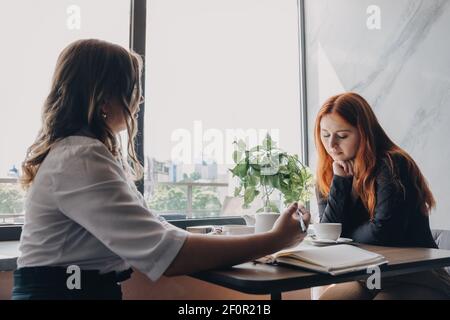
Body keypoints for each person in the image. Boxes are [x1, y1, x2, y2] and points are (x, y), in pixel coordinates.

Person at [12, 39, 309, 300]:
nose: (139, 99)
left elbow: (155, 231)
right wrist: (276, 239)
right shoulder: (82, 158)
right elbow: (167, 254)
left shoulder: (83, 153)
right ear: (104, 99)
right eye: (133, 88)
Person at [309, 92, 450, 299]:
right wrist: (340, 182)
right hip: (370, 277)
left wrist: (344, 235)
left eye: (342, 135)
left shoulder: (392, 163)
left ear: (363, 132)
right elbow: (329, 233)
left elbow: (384, 231)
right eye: (325, 134)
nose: (331, 145)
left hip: (416, 274)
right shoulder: (329, 172)